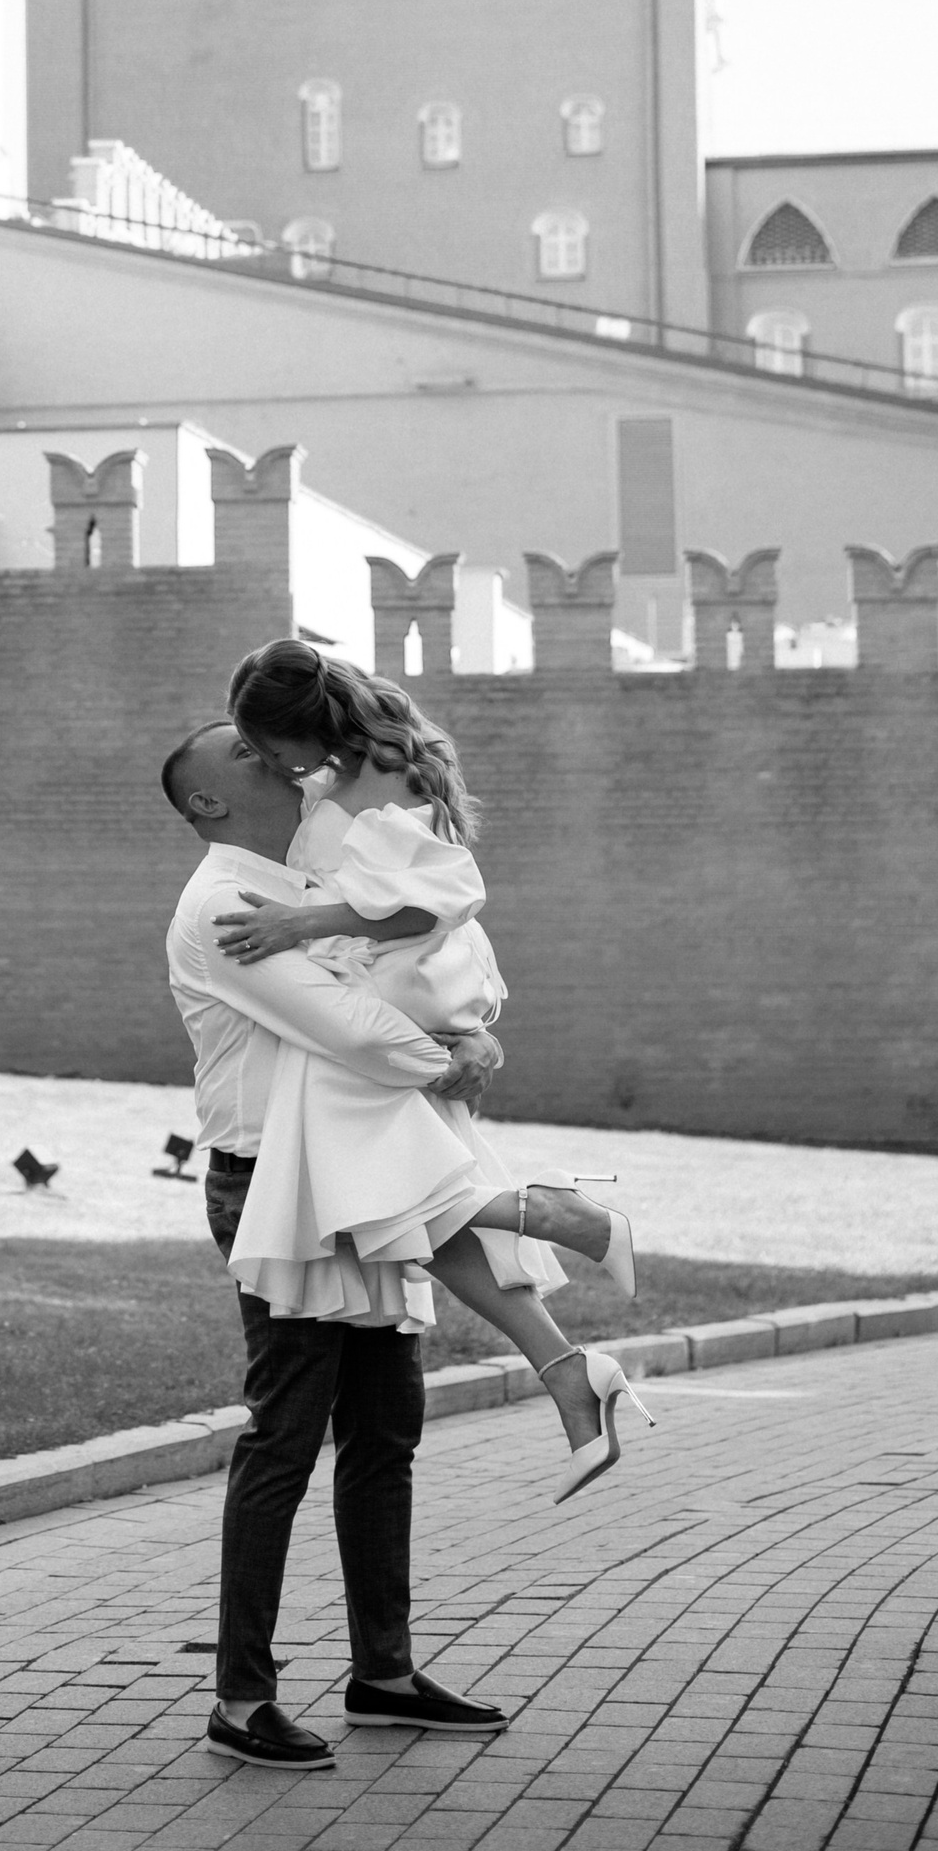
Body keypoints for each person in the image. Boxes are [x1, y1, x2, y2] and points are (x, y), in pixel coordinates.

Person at [218, 638, 653, 1506]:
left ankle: (550, 1211)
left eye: (268, 748)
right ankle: (571, 1376)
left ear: (300, 729)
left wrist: (299, 927)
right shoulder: (359, 773)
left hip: (379, 999)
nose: (270, 766)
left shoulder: (380, 782)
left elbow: (430, 908)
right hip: (386, 993)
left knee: (376, 1195)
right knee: (411, 1217)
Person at [162, 718, 510, 1771]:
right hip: (275, 1185)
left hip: (357, 1170)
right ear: (209, 802)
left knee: (385, 1430)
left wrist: (471, 1026)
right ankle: (241, 1699)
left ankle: (384, 1676)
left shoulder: (313, 874)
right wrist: (449, 1060)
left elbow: (418, 944)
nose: (276, 756)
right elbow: (349, 1028)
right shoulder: (225, 905)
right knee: (286, 1435)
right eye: (246, 754)